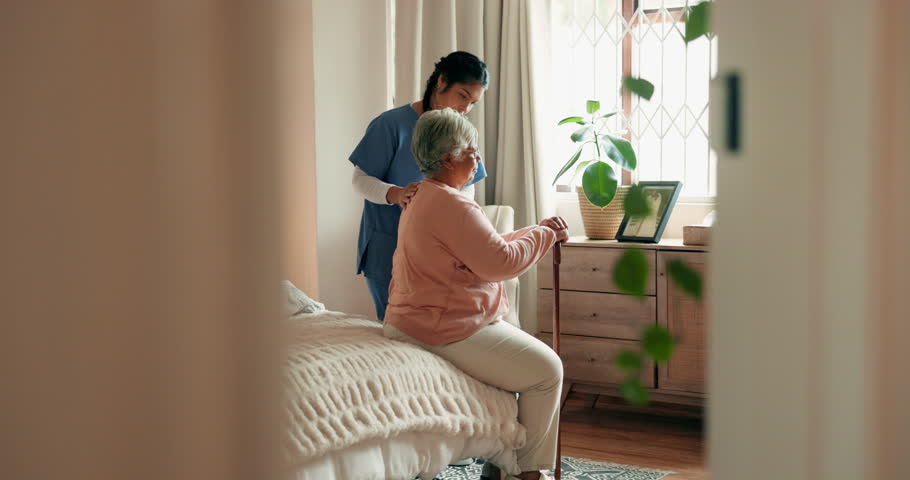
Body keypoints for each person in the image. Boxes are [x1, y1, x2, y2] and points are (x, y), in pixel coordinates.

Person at [383, 108, 568, 480]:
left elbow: (487, 248)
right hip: (441, 329)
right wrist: (546, 234)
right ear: (449, 157)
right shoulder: (451, 203)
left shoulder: (422, 196)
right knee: (548, 371)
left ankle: (502, 463)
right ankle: (527, 471)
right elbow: (502, 263)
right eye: (472, 150)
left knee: (528, 359)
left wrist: (536, 229)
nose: (478, 159)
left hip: (414, 319)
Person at [349, 51, 490, 322]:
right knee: (395, 332)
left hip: (437, 253)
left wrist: (451, 205)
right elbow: (360, 181)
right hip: (387, 248)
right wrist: (397, 194)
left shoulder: (462, 131)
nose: (465, 109)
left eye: (473, 102)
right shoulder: (390, 125)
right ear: (441, 82)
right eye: (462, 96)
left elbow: (468, 186)